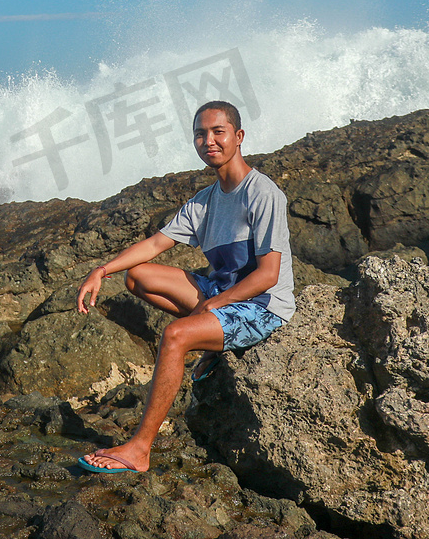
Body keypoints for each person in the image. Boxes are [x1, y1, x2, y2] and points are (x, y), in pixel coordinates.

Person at [75, 100, 296, 473]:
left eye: (217, 132)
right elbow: (155, 245)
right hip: (222, 294)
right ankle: (208, 337)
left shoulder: (263, 193)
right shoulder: (205, 201)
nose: (208, 140)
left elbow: (268, 275)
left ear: (238, 137)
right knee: (138, 276)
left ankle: (139, 449)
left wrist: (214, 306)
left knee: (175, 336)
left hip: (262, 306)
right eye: (200, 134)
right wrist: (102, 270)